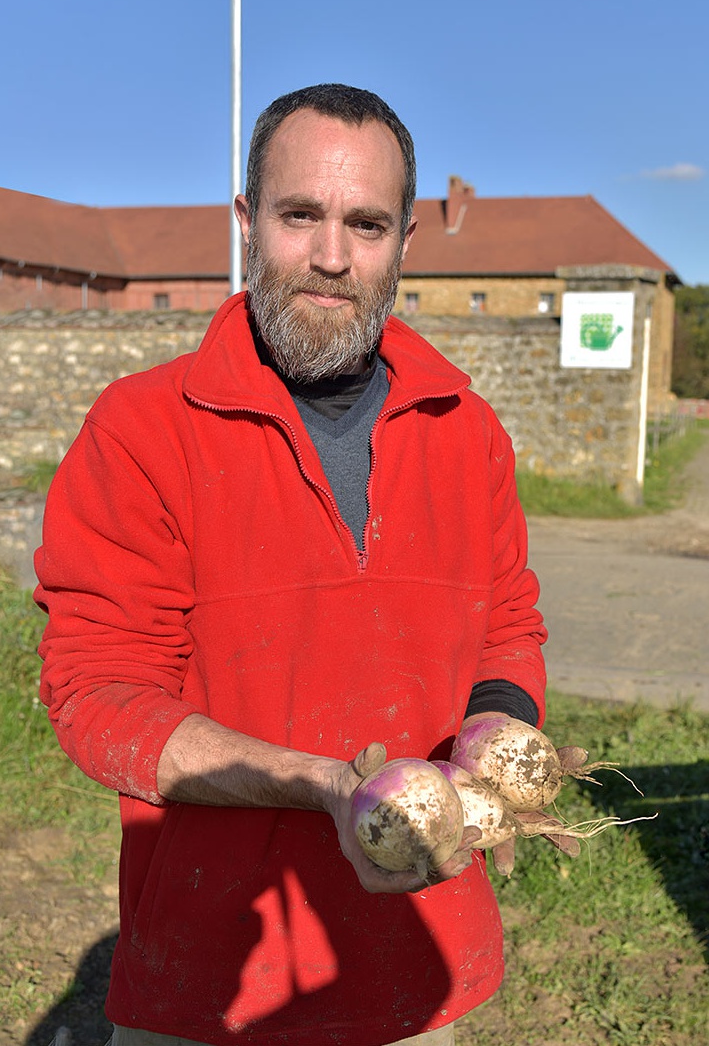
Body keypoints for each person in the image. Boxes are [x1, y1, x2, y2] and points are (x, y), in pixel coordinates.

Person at [36, 83, 562, 1046]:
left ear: (405, 237)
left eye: (365, 223)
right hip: (212, 983)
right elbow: (99, 693)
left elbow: (507, 625)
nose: (331, 256)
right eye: (299, 215)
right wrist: (323, 784)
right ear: (245, 220)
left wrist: (497, 733)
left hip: (419, 966)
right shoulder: (144, 429)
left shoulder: (465, 430)